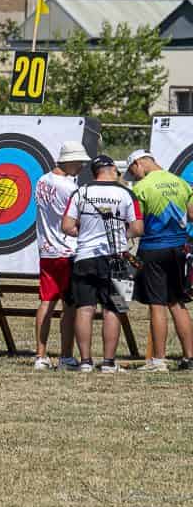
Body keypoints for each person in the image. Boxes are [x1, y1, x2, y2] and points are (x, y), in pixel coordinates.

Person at [61, 154, 142, 373]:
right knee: (113, 309)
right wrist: (119, 234)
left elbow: (67, 226)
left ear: (94, 171)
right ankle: (108, 363)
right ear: (113, 169)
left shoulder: (81, 192)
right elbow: (137, 229)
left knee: (84, 309)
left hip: (85, 257)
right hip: (116, 258)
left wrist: (85, 232)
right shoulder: (126, 192)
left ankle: (85, 362)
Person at [123, 149, 193, 371]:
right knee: (177, 302)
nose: (134, 177)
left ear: (138, 163)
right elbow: (191, 215)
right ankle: (190, 358)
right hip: (179, 248)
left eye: (133, 172)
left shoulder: (142, 187)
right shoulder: (181, 183)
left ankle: (158, 360)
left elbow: (138, 226)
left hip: (153, 249)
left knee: (157, 304)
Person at [31, 141, 86, 370]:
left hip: (46, 250)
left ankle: (40, 355)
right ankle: (66, 356)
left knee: (46, 301)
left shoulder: (42, 180)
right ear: (69, 161)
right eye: (80, 162)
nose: (82, 166)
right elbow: (78, 219)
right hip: (68, 250)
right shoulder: (69, 188)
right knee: (70, 306)